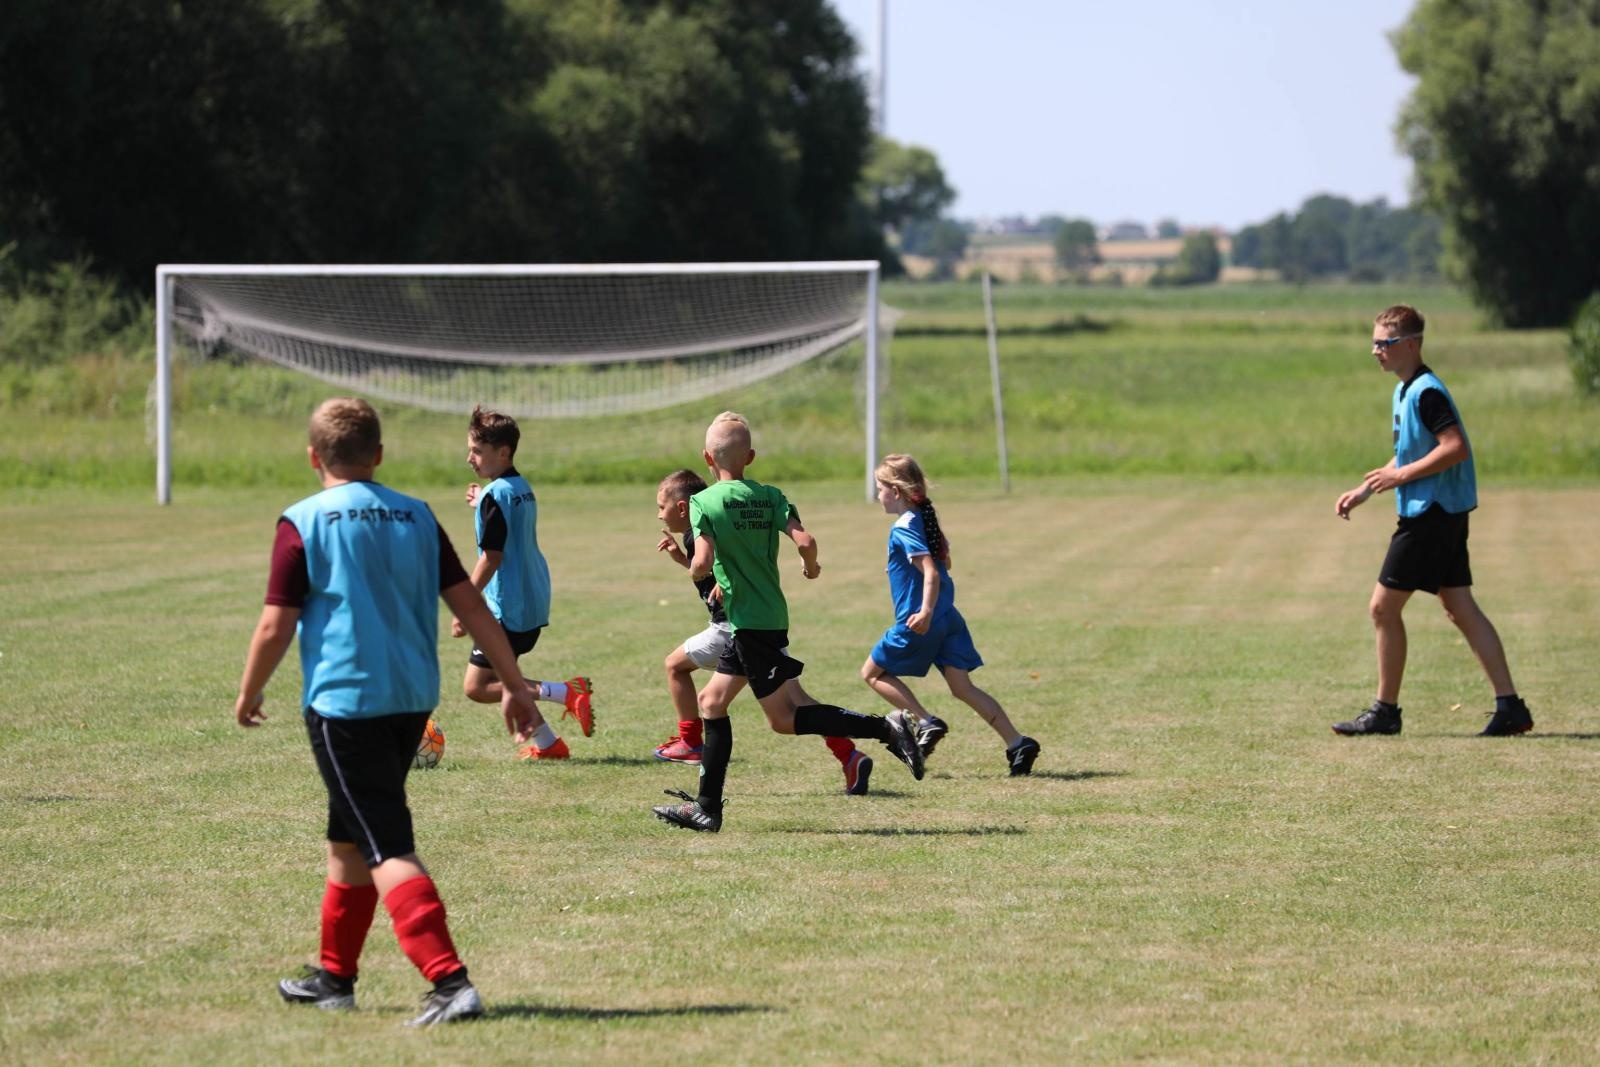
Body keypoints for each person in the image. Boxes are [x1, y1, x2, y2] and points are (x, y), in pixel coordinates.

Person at [234, 397, 540, 1027]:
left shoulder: (303, 520)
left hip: (348, 704)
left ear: (313, 457)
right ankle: (335, 978)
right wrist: (513, 683)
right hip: (411, 699)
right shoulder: (417, 515)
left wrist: (249, 691)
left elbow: (274, 624)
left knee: (386, 846)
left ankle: (450, 982)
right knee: (348, 840)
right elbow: (472, 606)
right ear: (378, 454)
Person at [651, 412, 925, 832]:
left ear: (707, 457)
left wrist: (696, 570)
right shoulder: (770, 496)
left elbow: (701, 562)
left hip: (748, 622)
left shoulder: (705, 503)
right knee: (712, 702)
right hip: (767, 617)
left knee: (782, 718)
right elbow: (806, 541)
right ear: (751, 457)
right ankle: (706, 808)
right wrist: (810, 567)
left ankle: (885, 728)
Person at [1332, 305, 1532, 737]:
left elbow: (1454, 447)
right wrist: (1367, 488)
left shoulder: (1427, 392)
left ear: (1411, 344)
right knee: (1459, 606)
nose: (1376, 351)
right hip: (1441, 513)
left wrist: (1400, 476)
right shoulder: (1405, 390)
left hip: (1431, 515)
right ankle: (1511, 707)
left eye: (1384, 343)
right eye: (1374, 343)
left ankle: (1385, 712)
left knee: (1382, 608)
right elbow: (1411, 452)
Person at [654, 469, 873, 794]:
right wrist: (682, 562)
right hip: (760, 626)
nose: (659, 514)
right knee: (797, 704)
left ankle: (690, 742)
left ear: (683, 508)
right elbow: (714, 569)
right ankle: (850, 755)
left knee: (675, 666)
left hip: (732, 630)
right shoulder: (707, 529)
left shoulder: (698, 533)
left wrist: (715, 579)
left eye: (662, 507)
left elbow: (710, 565)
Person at [861, 454, 1041, 775]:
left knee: (872, 673)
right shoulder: (924, 518)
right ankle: (1018, 743)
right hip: (949, 618)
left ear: (896, 491)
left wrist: (925, 611)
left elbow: (931, 572)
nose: (878, 495)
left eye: (880, 488)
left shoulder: (903, 526)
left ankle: (926, 721)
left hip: (920, 621)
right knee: (963, 688)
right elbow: (945, 563)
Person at [451, 406, 594, 760]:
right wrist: (481, 504)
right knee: (506, 676)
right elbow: (507, 521)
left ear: (503, 452)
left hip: (507, 607)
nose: (470, 458)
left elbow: (492, 557)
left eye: (477, 451)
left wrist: (465, 604)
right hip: (532, 599)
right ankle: (549, 744)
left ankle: (566, 692)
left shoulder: (494, 496)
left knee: (477, 686)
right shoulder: (520, 487)